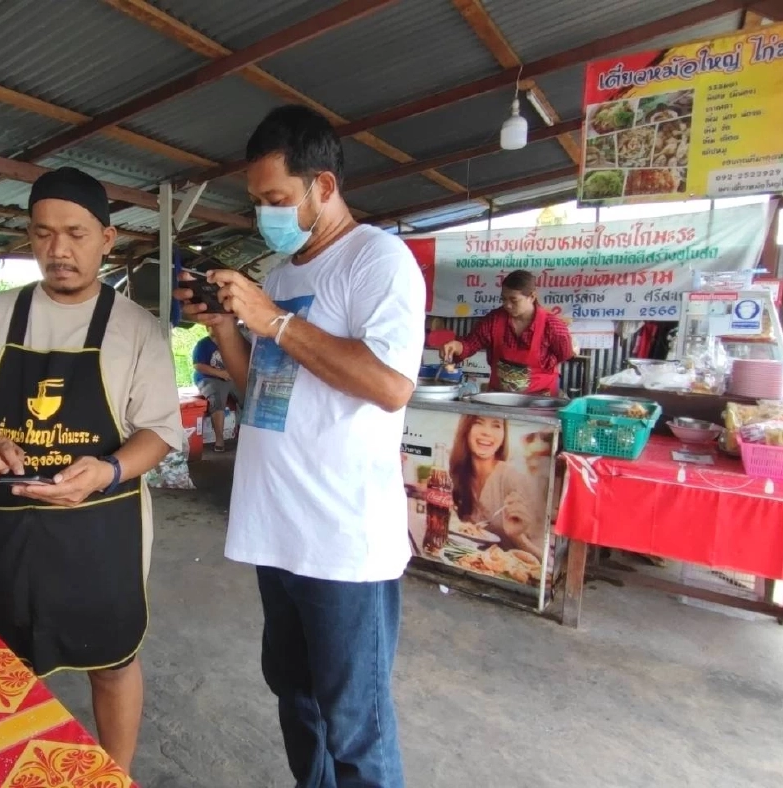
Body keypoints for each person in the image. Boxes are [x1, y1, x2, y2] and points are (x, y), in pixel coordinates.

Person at [176, 104, 424, 787]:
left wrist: (274, 321)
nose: (266, 216)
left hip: (342, 540)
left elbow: (390, 385)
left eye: (277, 199)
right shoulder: (281, 277)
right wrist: (229, 326)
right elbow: (267, 395)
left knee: (355, 722)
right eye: (257, 203)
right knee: (296, 698)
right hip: (279, 531)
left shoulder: (379, 259)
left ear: (323, 185)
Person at [0, 167, 180, 772]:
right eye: (43, 234)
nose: (58, 250)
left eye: (74, 233)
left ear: (107, 237)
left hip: (101, 526)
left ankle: (115, 776)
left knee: (113, 660)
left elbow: (161, 432)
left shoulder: (138, 330)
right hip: (3, 525)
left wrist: (109, 470)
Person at [441, 270, 575, 395]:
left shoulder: (552, 326)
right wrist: (455, 347)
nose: (508, 305)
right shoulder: (493, 321)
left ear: (532, 296)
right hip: (499, 399)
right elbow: (470, 344)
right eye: (504, 299)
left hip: (541, 401)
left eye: (514, 300)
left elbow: (565, 354)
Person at [448, 415, 542, 556]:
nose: (487, 432)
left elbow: (544, 563)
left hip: (510, 572)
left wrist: (517, 536)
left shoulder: (514, 479)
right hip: (464, 562)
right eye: (479, 422)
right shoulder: (458, 475)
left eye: (496, 425)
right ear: (465, 429)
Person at [192, 334, 239, 452]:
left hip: (229, 378)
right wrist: (220, 374)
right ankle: (219, 440)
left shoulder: (231, 342)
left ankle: (242, 433)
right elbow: (198, 366)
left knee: (247, 397)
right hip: (208, 378)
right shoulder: (203, 344)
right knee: (217, 398)